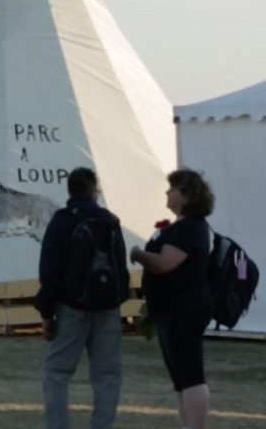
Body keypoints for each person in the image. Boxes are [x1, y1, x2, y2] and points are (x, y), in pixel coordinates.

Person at [36, 167, 129, 429]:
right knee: (107, 376)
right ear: (92, 190)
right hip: (107, 309)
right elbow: (119, 267)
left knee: (57, 373)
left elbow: (51, 271)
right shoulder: (110, 222)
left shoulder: (63, 221)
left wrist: (46, 313)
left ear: (70, 190)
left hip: (71, 308)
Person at [131, 168, 216, 429]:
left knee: (190, 375)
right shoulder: (183, 227)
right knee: (180, 377)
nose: (167, 193)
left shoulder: (189, 227)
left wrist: (138, 253)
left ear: (187, 196)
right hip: (171, 309)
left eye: (173, 189)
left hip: (184, 309)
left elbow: (165, 263)